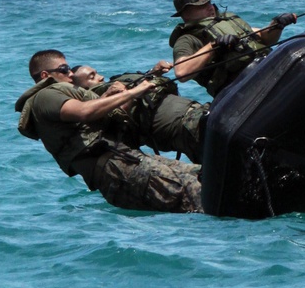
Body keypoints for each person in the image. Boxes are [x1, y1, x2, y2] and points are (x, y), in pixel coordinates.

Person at [15, 49, 203, 212]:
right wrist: (133, 92)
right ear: (45, 76)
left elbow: (105, 118)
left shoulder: (63, 95)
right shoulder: (45, 95)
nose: (71, 74)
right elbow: (85, 111)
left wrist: (127, 89)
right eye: (64, 69)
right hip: (117, 169)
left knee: (202, 174)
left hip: (125, 160)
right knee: (197, 194)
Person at [166, 0, 297, 96]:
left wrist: (277, 25)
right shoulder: (187, 38)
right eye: (202, 5)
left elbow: (264, 37)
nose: (210, 7)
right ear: (186, 14)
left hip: (266, 70)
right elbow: (181, 72)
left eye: (209, 3)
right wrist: (213, 46)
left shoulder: (226, 21)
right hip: (239, 91)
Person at [70, 62, 208, 164]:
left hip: (196, 114)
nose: (100, 77)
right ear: (82, 89)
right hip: (186, 127)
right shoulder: (102, 99)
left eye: (97, 72)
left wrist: (154, 73)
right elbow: (120, 121)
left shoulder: (115, 86)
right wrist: (129, 94)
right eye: (91, 77)